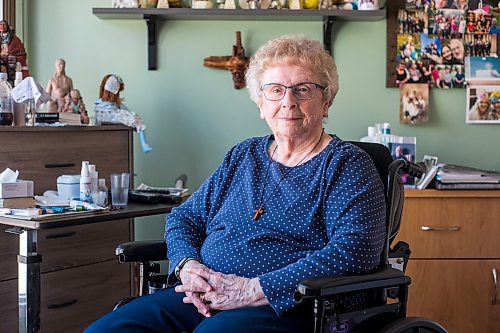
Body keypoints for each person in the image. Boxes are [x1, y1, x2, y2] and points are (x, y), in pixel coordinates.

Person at [84, 35, 386, 333]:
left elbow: (355, 249)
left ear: (326, 100)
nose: (288, 102)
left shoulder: (347, 164)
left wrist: (254, 289)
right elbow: (184, 218)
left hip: (289, 306)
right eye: (275, 90)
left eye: (303, 89)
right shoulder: (244, 155)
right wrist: (188, 267)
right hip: (201, 298)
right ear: (260, 102)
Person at [94, 74, 153, 153]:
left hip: (110, 117)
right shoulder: (104, 107)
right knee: (134, 118)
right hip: (110, 117)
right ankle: (144, 143)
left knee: (133, 117)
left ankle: (144, 143)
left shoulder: (102, 104)